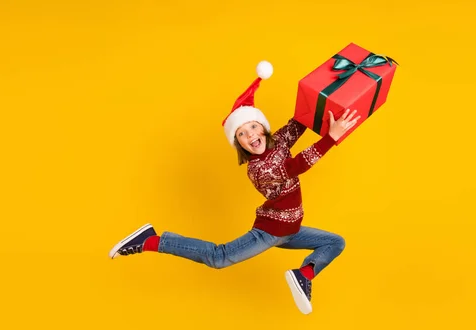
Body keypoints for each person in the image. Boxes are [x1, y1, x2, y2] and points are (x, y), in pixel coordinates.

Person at [109, 61, 360, 315]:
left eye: (252, 127)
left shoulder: (279, 142)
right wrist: (331, 138)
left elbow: (301, 120)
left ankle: (304, 274)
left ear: (262, 127)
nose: (250, 135)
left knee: (335, 243)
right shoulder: (258, 169)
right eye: (241, 134)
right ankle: (151, 240)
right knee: (218, 257)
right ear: (239, 144)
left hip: (292, 229)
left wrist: (333, 85)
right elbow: (297, 165)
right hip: (270, 232)